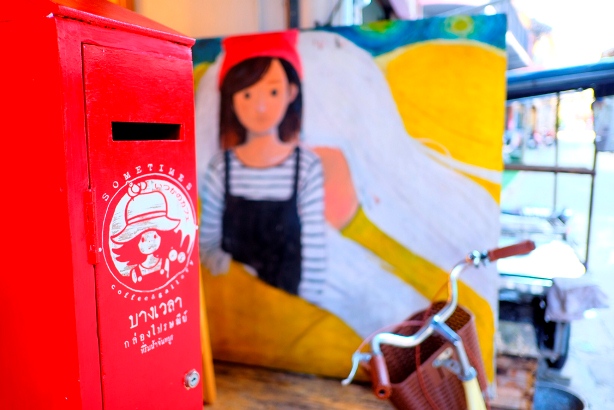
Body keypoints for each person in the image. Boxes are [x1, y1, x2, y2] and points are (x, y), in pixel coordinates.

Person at [199, 30, 326, 305]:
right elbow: (207, 245)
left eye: (272, 91)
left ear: (291, 92)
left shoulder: (306, 167)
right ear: (231, 99)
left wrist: (306, 309)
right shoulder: (221, 168)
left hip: (289, 307)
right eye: (246, 93)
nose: (259, 106)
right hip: (235, 306)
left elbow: (314, 252)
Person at [112, 186, 186, 286]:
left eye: (155, 236)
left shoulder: (165, 263)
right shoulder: (135, 272)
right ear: (134, 242)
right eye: (143, 239)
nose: (150, 242)